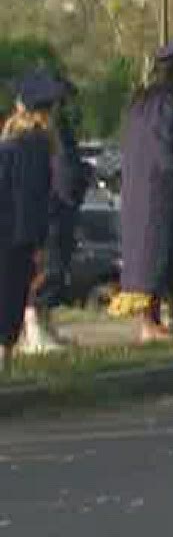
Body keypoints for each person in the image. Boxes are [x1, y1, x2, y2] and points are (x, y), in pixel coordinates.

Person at [116, 42, 173, 342]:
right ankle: (149, 323)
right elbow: (168, 152)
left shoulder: (139, 104)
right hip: (160, 193)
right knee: (154, 256)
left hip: (139, 191)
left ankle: (161, 319)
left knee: (151, 256)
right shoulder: (166, 106)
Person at [21, 76, 87, 354]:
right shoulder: (36, 135)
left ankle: (45, 326)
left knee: (56, 269)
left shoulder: (58, 131)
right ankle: (33, 329)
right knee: (44, 273)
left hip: (60, 211)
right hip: (48, 212)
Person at [0, 74, 63, 370]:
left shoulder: (10, 144)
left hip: (8, 230)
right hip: (16, 237)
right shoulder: (36, 147)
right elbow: (31, 199)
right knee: (11, 298)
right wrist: (36, 243)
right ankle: (5, 359)